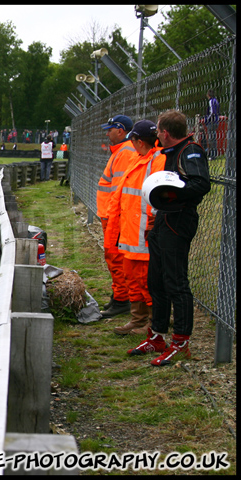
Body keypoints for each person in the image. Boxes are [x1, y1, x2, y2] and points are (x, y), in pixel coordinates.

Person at [127, 110, 211, 366]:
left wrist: (172, 194)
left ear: (165, 133)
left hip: (179, 219)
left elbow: (201, 184)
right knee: (157, 282)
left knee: (176, 283)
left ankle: (181, 342)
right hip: (164, 219)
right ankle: (157, 336)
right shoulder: (172, 152)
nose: (156, 139)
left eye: (158, 133)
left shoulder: (190, 151)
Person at [105, 120, 165, 335]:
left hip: (143, 233)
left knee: (145, 280)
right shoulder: (139, 159)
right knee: (132, 277)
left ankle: (153, 322)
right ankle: (137, 319)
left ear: (139, 141)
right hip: (130, 231)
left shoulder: (157, 161)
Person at [96, 115, 136, 318]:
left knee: (116, 257)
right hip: (111, 215)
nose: (107, 133)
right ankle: (119, 296)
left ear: (120, 130)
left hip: (115, 216)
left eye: (109, 129)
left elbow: (119, 190)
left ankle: (122, 299)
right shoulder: (122, 151)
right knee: (114, 257)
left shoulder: (125, 153)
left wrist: (113, 216)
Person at [204, 89, 220, 158]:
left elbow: (212, 112)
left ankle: (213, 154)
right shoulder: (216, 101)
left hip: (212, 121)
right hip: (216, 121)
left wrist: (207, 119)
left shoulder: (211, 101)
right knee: (214, 138)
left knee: (211, 138)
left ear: (208, 95)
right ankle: (214, 153)